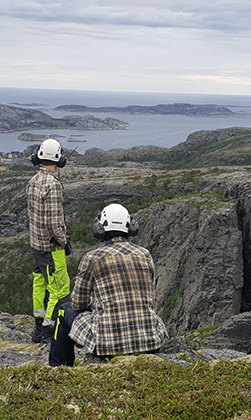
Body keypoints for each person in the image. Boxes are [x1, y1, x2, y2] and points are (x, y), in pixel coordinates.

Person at [49, 203, 169, 366]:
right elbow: (149, 296)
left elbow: (78, 303)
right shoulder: (145, 254)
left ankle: (59, 368)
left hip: (107, 345)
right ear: (131, 227)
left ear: (100, 229)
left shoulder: (92, 258)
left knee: (64, 311)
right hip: (149, 342)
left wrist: (96, 304)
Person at [26, 138, 71, 343]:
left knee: (39, 283)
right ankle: (47, 331)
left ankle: (38, 321)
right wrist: (64, 241)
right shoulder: (53, 185)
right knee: (59, 288)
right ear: (59, 159)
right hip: (51, 246)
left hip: (36, 245)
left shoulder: (33, 181)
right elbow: (54, 222)